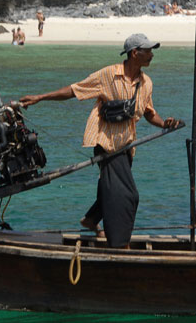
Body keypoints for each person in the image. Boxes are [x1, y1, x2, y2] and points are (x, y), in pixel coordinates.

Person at [19, 33, 181, 248]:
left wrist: (165, 124)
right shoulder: (108, 75)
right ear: (135, 53)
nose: (152, 55)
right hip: (105, 144)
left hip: (126, 147)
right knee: (128, 196)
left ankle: (91, 220)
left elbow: (149, 112)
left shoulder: (146, 83)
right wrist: (40, 97)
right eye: (148, 51)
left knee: (110, 189)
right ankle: (120, 245)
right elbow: (74, 90)